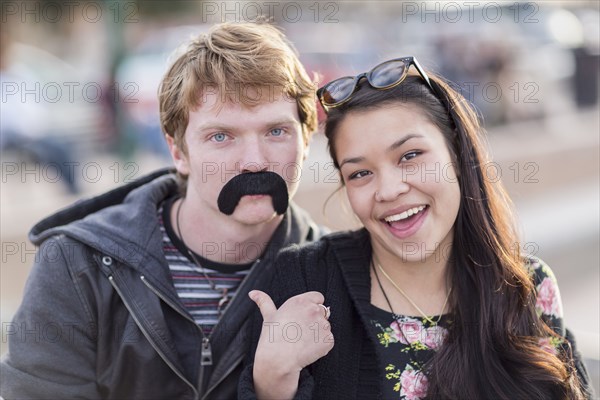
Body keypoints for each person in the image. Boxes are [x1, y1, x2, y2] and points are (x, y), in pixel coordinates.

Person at [1, 21, 327, 399]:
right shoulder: (76, 266)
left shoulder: (335, 274)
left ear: (305, 139)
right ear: (178, 153)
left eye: (276, 131)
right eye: (221, 136)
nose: (254, 162)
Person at [240, 57, 594, 399]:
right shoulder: (303, 283)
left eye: (410, 156)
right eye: (360, 173)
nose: (389, 190)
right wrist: (271, 381)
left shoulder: (526, 288)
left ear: (456, 152)